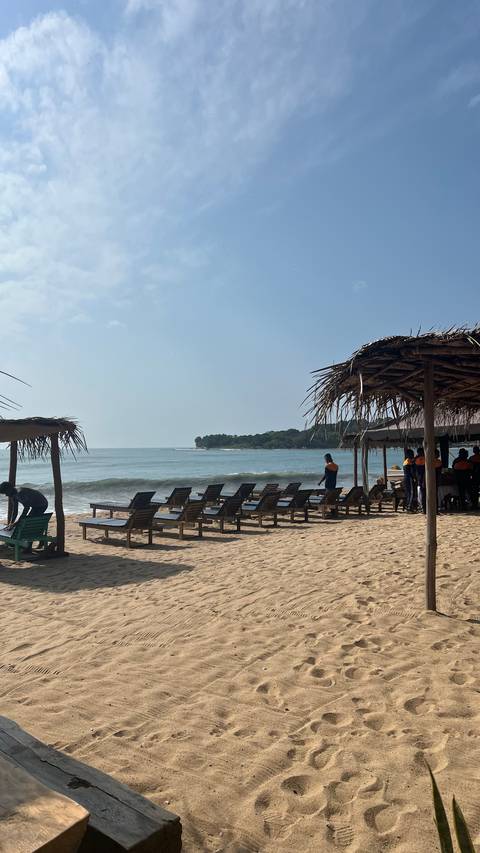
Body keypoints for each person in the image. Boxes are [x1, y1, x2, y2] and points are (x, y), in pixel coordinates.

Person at [415, 447, 426, 513]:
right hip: (423, 479)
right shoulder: (425, 459)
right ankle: (424, 508)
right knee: (424, 494)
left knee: (423, 494)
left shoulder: (416, 459)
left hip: (420, 479)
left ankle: (424, 508)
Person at [469, 445, 480, 510]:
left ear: (473, 451)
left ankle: (475, 504)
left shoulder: (471, 458)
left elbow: (470, 468)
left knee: (474, 491)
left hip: (474, 477)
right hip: (476, 476)